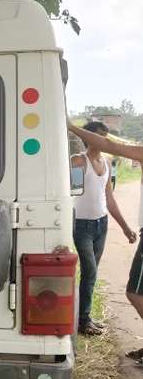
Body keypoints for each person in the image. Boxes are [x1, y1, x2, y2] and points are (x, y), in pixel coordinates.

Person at [69, 120, 136, 336]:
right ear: (88, 138)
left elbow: (109, 199)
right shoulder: (79, 161)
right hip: (82, 226)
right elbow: (71, 193)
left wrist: (125, 227)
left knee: (91, 274)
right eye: (99, 135)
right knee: (89, 271)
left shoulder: (106, 162)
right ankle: (83, 320)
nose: (103, 139)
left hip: (101, 224)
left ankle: (84, 317)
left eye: (105, 135)